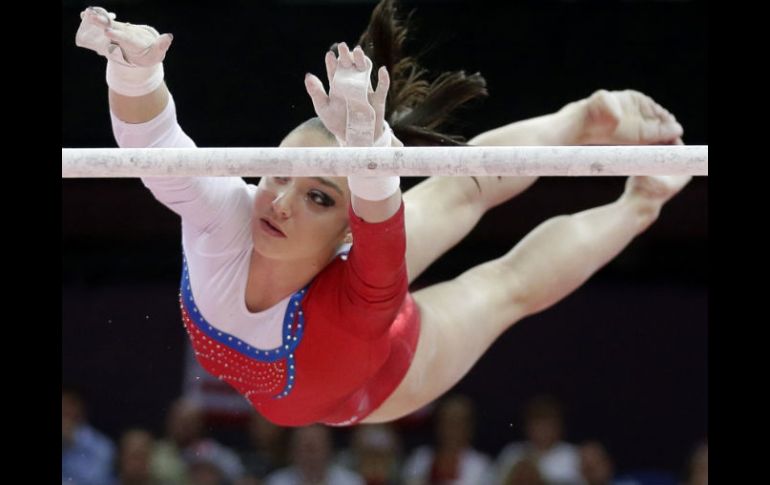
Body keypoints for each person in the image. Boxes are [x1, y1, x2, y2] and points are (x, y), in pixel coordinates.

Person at [73, 0, 690, 427]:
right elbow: (158, 149)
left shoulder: (363, 291)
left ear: (348, 227)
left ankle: (641, 200)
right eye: (278, 172)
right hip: (348, 286)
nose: (280, 201)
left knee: (503, 284)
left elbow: (382, 215)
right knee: (455, 196)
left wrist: (370, 164)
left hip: (385, 371)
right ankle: (585, 118)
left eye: (319, 196)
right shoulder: (228, 216)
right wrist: (136, 73)